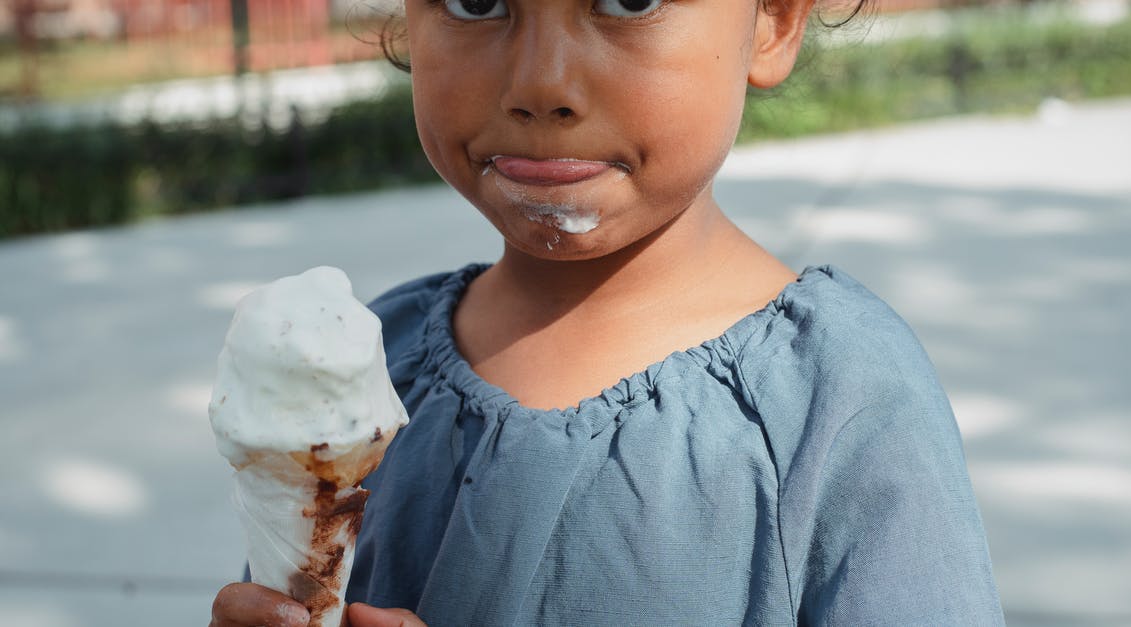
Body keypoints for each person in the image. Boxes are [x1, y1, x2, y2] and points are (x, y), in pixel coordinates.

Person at [211, 0, 1005, 624]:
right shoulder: (366, 368)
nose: (541, 85)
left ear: (774, 20)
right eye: (475, 0)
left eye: (628, 0)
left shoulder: (839, 401)